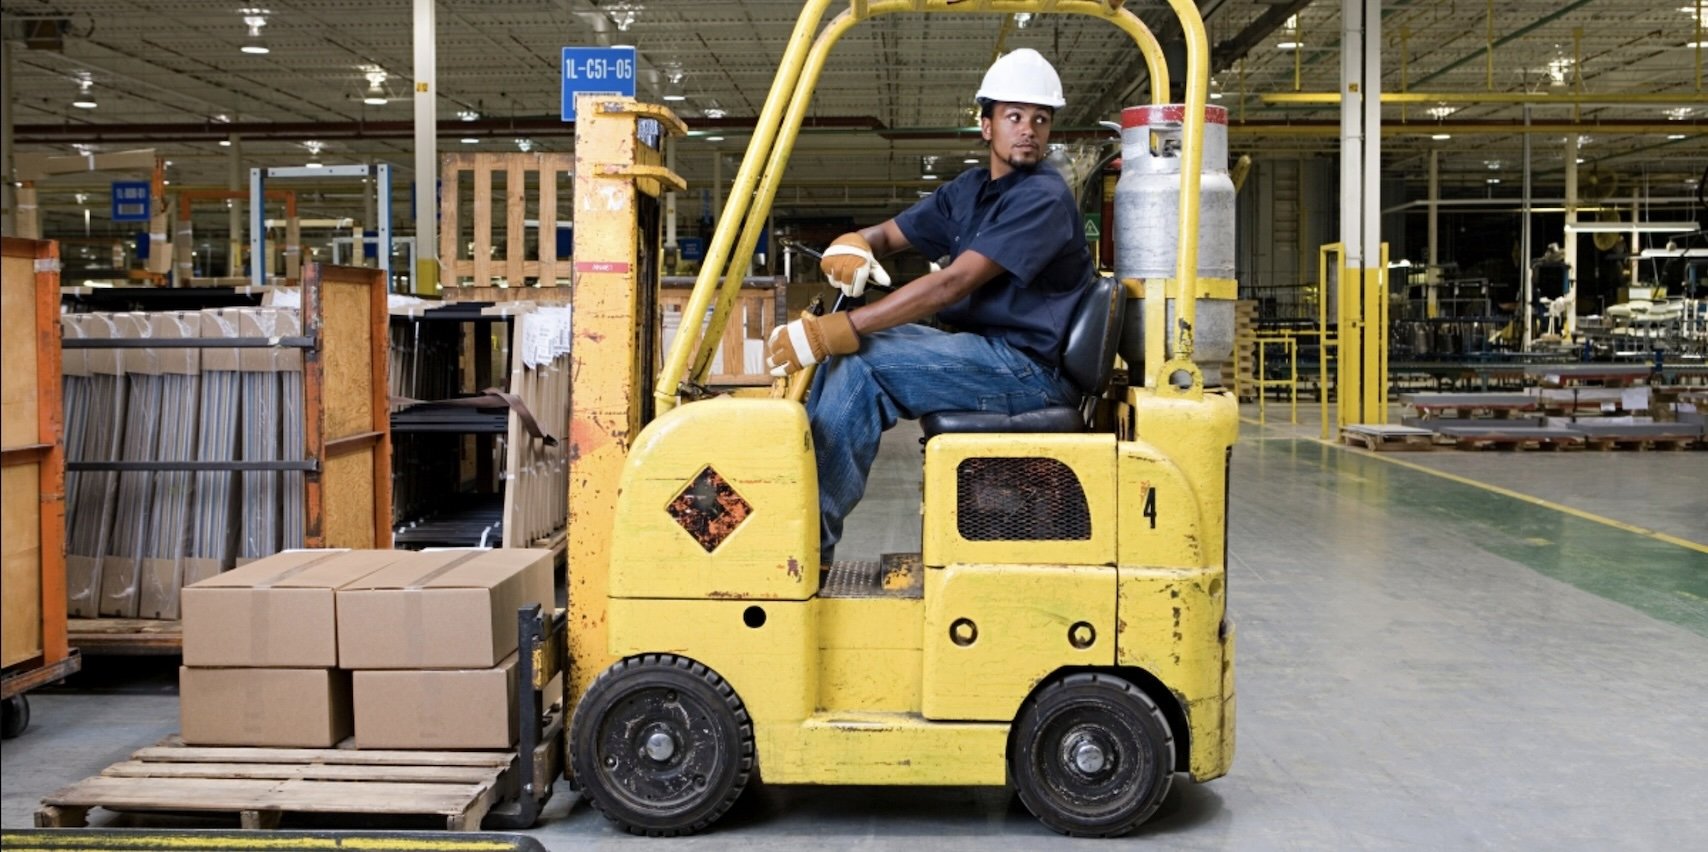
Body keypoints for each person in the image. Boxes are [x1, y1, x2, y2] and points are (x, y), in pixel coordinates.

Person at [765, 48, 1094, 561]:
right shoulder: (969, 190)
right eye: (1013, 116)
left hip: (1027, 370)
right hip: (984, 353)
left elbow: (951, 285)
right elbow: (892, 234)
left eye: (1040, 119)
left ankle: (802, 549)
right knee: (846, 358)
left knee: (863, 363)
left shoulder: (1043, 198)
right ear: (987, 126)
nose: (1028, 129)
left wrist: (838, 327)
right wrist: (857, 241)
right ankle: (790, 512)